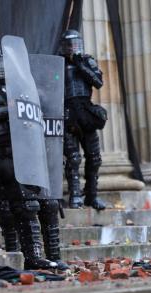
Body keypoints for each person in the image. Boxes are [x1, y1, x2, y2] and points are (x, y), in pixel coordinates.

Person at [0, 40, 56, 270]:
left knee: (27, 206)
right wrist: (8, 110)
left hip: (15, 156)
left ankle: (34, 256)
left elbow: (35, 111)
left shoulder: (13, 86)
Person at [60, 29, 107, 210]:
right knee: (72, 158)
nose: (72, 48)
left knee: (94, 158)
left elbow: (98, 82)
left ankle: (92, 196)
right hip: (67, 113)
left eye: (75, 44)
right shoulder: (58, 63)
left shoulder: (87, 60)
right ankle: (75, 196)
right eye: (69, 45)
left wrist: (80, 65)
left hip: (85, 112)